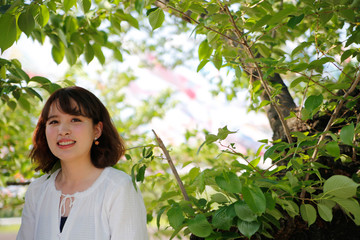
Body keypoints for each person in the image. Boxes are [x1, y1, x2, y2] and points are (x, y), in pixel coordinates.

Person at [16, 86, 148, 240]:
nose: (63, 130)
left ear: (97, 130)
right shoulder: (37, 191)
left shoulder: (118, 188)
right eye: (54, 121)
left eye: (75, 119)